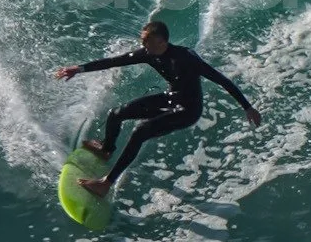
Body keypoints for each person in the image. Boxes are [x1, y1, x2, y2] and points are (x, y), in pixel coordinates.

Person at [55, 21, 261, 198]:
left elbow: (221, 80)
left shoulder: (186, 57)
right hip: (170, 99)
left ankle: (105, 184)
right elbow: (115, 61)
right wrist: (80, 68)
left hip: (188, 110)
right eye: (142, 41)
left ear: (162, 42)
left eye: (147, 42)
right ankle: (107, 149)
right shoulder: (148, 54)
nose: (143, 45)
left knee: (140, 131)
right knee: (116, 114)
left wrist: (247, 107)